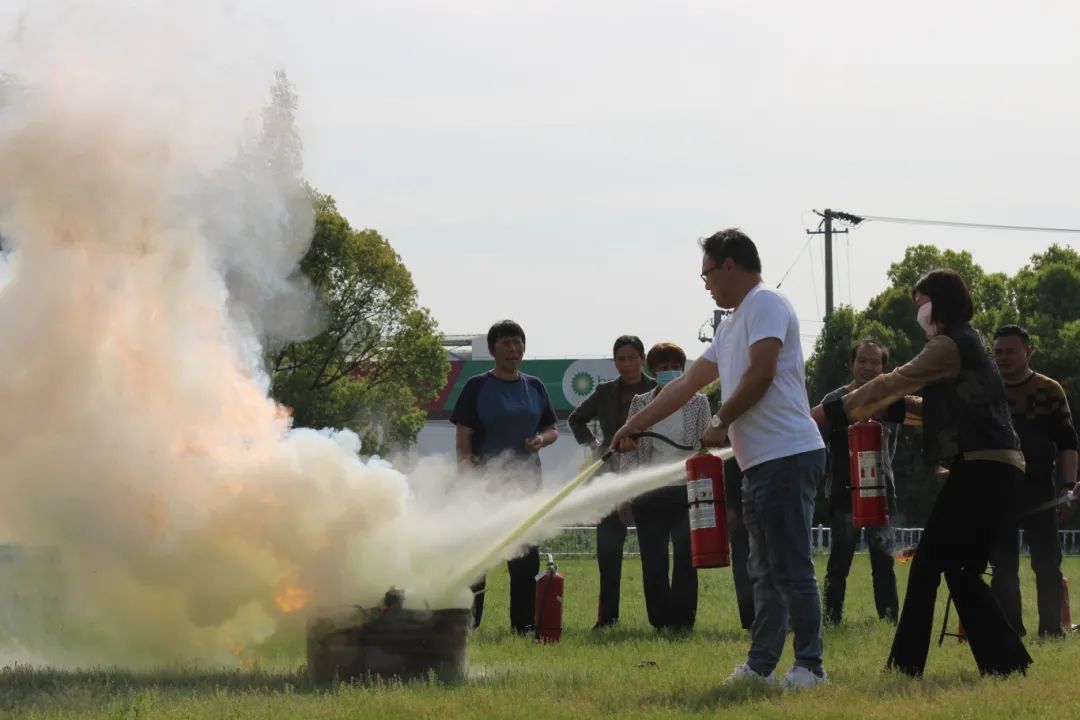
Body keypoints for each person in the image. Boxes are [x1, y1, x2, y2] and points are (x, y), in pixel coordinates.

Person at [610, 229, 828, 690]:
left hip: (788, 455)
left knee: (791, 567)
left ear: (729, 265)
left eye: (707, 273)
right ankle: (762, 667)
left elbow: (762, 372)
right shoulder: (730, 325)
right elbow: (685, 386)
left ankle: (810, 667)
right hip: (758, 464)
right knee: (763, 571)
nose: (705, 282)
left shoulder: (767, 304)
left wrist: (722, 420)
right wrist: (635, 424)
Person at [812, 269, 1031, 678]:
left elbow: (895, 381)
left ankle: (906, 667)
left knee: (930, 562)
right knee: (958, 568)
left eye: (921, 304)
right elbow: (927, 409)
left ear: (940, 302)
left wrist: (825, 415)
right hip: (992, 467)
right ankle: (1006, 663)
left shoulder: (948, 345)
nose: (918, 312)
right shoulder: (969, 341)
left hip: (984, 467)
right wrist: (882, 407)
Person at [450, 319, 559, 635]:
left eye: (518, 342)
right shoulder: (477, 386)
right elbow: (463, 437)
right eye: (506, 343)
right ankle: (468, 624)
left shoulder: (535, 386)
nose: (514, 348)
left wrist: (541, 440)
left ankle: (523, 625)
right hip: (484, 487)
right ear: (492, 350)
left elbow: (552, 429)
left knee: (524, 559)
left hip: (526, 487)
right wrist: (467, 478)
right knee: (478, 559)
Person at [989, 324, 1079, 638]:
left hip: (1041, 490)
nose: (1003, 357)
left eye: (1010, 351)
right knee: (1003, 567)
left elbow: (1068, 442)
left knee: (1047, 564)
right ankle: (1012, 632)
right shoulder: (988, 390)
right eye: (998, 351)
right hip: (997, 491)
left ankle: (1051, 631)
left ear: (1029, 351)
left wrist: (1068, 487)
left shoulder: (1049, 389)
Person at [621, 343, 711, 633]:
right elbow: (630, 452)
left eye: (674, 367)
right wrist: (626, 496)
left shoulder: (699, 403)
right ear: (652, 371)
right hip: (650, 492)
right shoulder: (640, 402)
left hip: (687, 490)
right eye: (662, 368)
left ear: (683, 370)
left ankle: (684, 621)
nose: (668, 372)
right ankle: (660, 621)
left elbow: (706, 446)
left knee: (687, 557)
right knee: (654, 560)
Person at [567, 335, 656, 629]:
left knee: (652, 549)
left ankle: (660, 618)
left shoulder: (658, 389)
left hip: (647, 473)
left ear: (643, 360)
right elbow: (575, 419)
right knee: (608, 550)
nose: (627, 364)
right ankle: (607, 618)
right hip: (609, 474)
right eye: (621, 359)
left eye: (632, 358)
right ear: (614, 362)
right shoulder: (605, 391)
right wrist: (594, 445)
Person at [821, 339, 905, 625]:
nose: (868, 367)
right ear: (851, 364)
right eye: (862, 361)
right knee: (840, 559)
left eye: (875, 362)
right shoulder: (834, 401)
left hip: (882, 491)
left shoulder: (892, 400)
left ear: (884, 367)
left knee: (884, 560)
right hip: (844, 492)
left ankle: (889, 621)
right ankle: (831, 619)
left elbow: (892, 445)